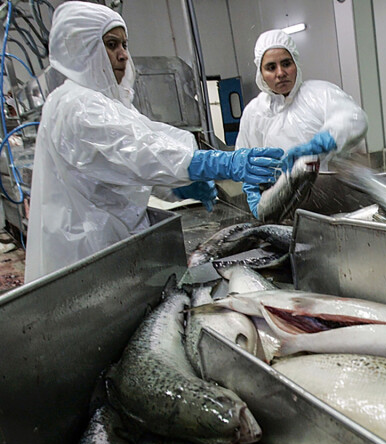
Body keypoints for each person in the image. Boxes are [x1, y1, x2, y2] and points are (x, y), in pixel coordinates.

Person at [24, 2, 286, 283]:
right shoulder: (75, 105)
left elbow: (143, 145)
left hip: (110, 246)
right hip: (85, 257)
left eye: (124, 44)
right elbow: (140, 153)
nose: (123, 55)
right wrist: (217, 163)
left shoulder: (107, 103)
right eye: (111, 45)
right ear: (81, 48)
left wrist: (178, 184)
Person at [236, 29, 367, 219]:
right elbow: (245, 158)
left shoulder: (320, 94)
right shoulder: (254, 113)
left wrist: (321, 143)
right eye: (271, 67)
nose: (280, 73)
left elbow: (353, 118)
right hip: (285, 209)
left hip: (337, 205)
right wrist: (253, 191)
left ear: (296, 63)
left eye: (286, 64)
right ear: (261, 73)